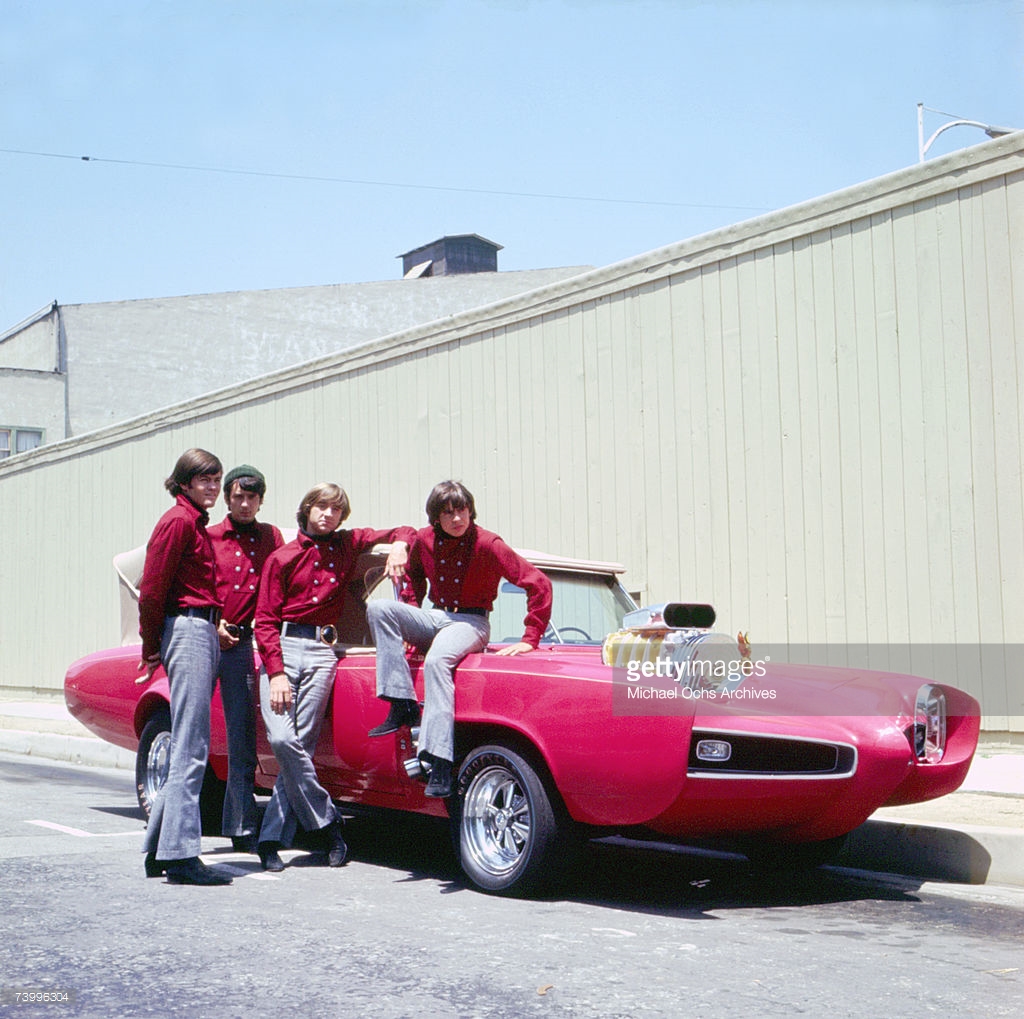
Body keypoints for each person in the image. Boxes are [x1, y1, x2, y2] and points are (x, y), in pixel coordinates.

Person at [253, 483, 415, 872]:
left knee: (300, 749)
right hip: (283, 650)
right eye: (320, 507)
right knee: (282, 739)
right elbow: (264, 621)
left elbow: (406, 530)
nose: (327, 514)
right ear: (307, 509)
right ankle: (328, 823)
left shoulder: (347, 545)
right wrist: (275, 672)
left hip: (324, 652)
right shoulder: (282, 557)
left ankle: (270, 839)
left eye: (335, 510)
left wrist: (400, 546)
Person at [366, 480, 552, 798]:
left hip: (472, 621)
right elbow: (411, 575)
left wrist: (530, 638)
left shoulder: (489, 544)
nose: (457, 519)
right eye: (448, 513)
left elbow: (539, 583)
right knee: (381, 608)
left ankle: (438, 760)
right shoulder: (424, 540)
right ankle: (401, 703)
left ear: (470, 510)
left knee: (438, 660)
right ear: (436, 517)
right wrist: (412, 613)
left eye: (462, 510)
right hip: (436, 616)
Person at [137, 448, 233, 886]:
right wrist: (150, 646)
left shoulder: (193, 522)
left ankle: (160, 849)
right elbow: (152, 589)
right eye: (204, 480)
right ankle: (181, 856)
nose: (212, 487)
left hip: (204, 630)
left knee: (187, 743)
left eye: (216, 479)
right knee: (191, 745)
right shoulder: (178, 521)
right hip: (189, 629)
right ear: (185, 482)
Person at [208, 465, 284, 854]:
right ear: (227, 498)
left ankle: (240, 825)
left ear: (260, 500)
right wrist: (214, 623)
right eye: (237, 496)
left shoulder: (272, 537)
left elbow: (280, 587)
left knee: (242, 734)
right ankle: (167, 832)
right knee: (189, 736)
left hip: (245, 643)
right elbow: (194, 586)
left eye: (251, 497)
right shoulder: (208, 537)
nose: (244, 503)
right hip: (208, 638)